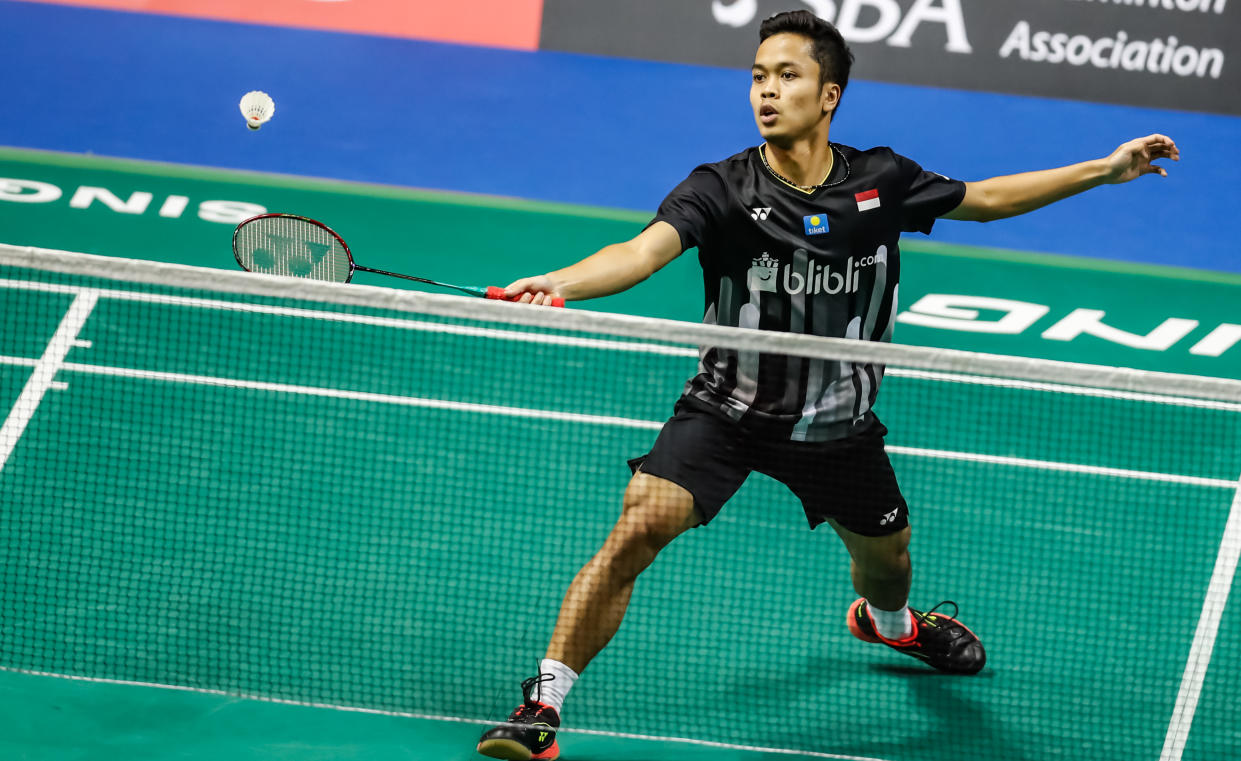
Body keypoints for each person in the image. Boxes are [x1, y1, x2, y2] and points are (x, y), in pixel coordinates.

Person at [475, 10, 1179, 761]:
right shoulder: (719, 187)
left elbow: (988, 198)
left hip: (838, 426)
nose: (766, 92)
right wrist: (561, 283)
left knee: (890, 562)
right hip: (726, 409)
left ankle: (892, 624)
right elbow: (641, 252)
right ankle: (540, 705)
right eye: (757, 76)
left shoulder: (880, 180)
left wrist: (1102, 170)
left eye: (787, 75)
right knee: (637, 526)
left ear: (829, 93)